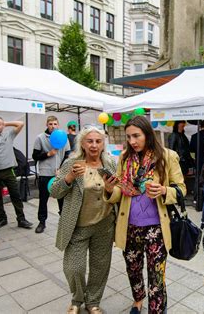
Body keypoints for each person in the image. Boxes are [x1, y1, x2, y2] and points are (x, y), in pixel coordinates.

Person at [104, 116, 186, 314]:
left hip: (156, 228)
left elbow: (181, 189)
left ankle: (157, 309)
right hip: (130, 226)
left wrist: (164, 190)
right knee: (133, 269)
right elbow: (120, 193)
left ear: (147, 134)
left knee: (156, 274)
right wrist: (108, 190)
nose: (132, 141)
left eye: (136, 136)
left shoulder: (167, 156)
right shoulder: (124, 158)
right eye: (129, 136)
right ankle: (138, 300)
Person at [50, 125, 117, 314]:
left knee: (100, 267)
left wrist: (111, 189)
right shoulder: (71, 164)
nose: (94, 145)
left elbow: (118, 193)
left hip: (104, 225)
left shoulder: (110, 164)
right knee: (74, 268)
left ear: (103, 144)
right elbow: (55, 192)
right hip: (77, 226)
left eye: (98, 141)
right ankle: (77, 299)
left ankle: (93, 302)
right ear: (82, 143)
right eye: (90, 141)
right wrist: (70, 177)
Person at [0, 117, 33, 230]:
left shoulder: (9, 134)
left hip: (8, 171)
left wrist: (4, 123)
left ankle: (21, 219)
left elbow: (21, 123)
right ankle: (2, 218)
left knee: (15, 195)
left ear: (3, 126)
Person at [32, 116, 70, 233]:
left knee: (61, 198)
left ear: (58, 125)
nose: (53, 126)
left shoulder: (64, 137)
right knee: (43, 199)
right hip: (45, 173)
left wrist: (62, 168)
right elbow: (35, 156)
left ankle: (64, 222)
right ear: (46, 125)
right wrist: (48, 154)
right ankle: (42, 222)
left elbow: (68, 155)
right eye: (50, 124)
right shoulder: (40, 138)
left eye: (55, 124)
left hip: (59, 174)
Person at [189, 120, 204, 211]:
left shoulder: (194, 136)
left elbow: (191, 149)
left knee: (197, 179)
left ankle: (196, 198)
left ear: (200, 126)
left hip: (198, 160)